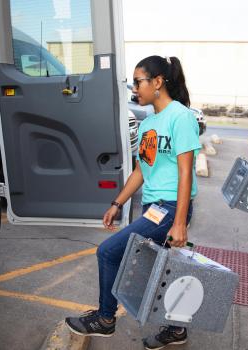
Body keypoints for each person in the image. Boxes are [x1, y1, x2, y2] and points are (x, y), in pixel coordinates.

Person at [65, 55, 201, 349]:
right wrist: (117, 204)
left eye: (138, 82)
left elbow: (185, 171)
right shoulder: (148, 123)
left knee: (109, 252)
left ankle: (105, 319)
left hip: (169, 207)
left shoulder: (181, 116)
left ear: (158, 82)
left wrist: (179, 223)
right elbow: (141, 170)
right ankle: (176, 329)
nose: (134, 89)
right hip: (153, 207)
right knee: (157, 269)